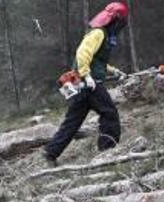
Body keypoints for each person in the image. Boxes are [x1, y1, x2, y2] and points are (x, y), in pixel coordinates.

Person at [42, 2, 130, 164]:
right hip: (88, 84)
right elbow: (82, 53)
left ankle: (50, 152)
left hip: (82, 85)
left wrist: (114, 71)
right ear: (115, 20)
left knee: (72, 121)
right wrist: (87, 76)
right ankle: (107, 151)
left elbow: (97, 60)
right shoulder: (98, 33)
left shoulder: (102, 34)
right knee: (109, 113)